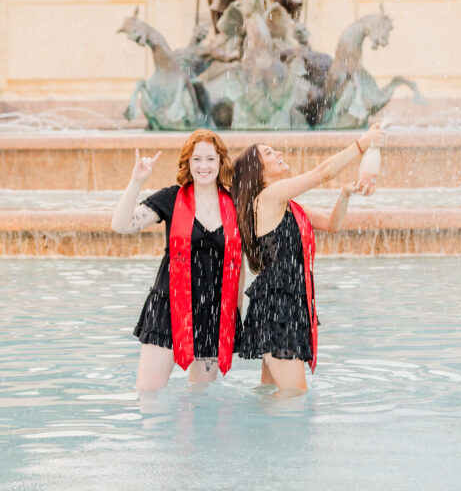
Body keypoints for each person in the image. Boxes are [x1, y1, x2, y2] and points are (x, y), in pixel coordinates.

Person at [231, 126, 381, 396]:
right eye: (268, 152)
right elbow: (322, 173)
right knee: (293, 396)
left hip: (287, 303)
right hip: (277, 308)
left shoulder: (286, 204)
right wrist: (362, 144)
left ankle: (251, 437)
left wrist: (345, 194)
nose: (277, 153)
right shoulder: (267, 198)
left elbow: (330, 224)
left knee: (269, 393)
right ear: (258, 170)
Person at [111, 128, 242, 391]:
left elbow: (239, 265)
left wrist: (237, 312)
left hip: (213, 312)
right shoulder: (172, 198)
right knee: (148, 394)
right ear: (188, 163)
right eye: (197, 159)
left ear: (220, 162)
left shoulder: (234, 203)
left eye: (210, 159)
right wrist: (136, 181)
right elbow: (121, 225)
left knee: (202, 401)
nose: (203, 166)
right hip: (168, 309)